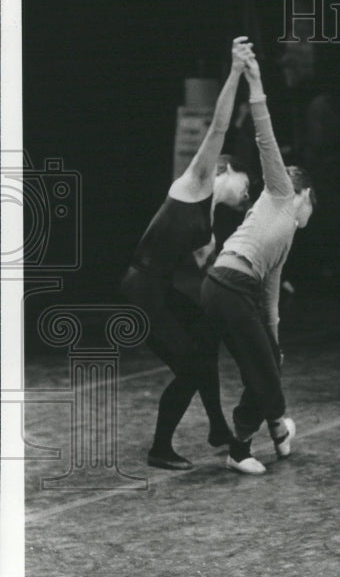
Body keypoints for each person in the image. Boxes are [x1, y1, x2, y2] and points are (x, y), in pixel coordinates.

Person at [121, 37, 253, 470]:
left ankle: (217, 427)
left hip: (157, 288)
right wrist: (236, 71)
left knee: (206, 334)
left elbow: (205, 273)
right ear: (225, 170)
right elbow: (218, 128)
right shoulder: (195, 182)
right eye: (246, 186)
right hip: (141, 291)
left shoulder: (209, 218)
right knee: (192, 368)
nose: (247, 196)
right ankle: (160, 448)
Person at [201, 49, 315, 475]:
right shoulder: (283, 194)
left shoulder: (282, 242)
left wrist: (275, 342)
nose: (307, 220)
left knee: (264, 365)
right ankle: (242, 447)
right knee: (264, 372)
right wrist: (255, 82)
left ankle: (277, 432)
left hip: (228, 287)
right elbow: (266, 139)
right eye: (311, 211)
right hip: (227, 282)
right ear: (304, 196)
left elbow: (270, 301)